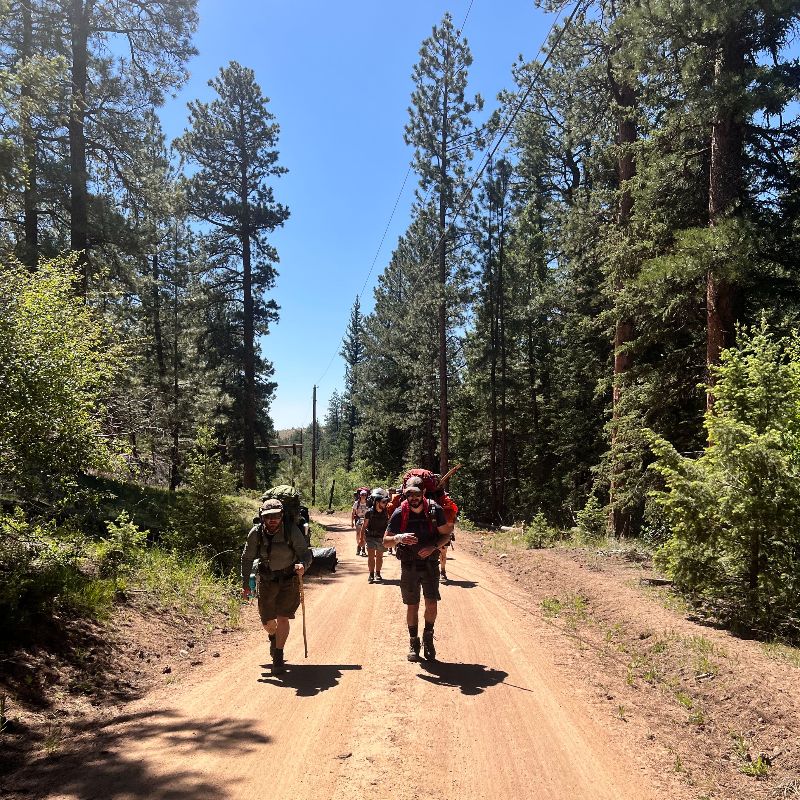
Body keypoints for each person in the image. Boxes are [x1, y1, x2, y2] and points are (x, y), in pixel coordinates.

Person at [383, 476, 453, 662]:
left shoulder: (434, 510)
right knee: (412, 605)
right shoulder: (400, 512)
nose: (412, 498)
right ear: (405, 494)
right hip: (409, 566)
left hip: (430, 564)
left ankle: (428, 638)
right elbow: (385, 541)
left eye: (416, 494)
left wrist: (433, 547)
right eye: (409, 494)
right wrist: (399, 538)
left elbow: (447, 535)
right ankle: (414, 642)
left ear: (423, 493)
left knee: (431, 603)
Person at [241, 499, 312, 675]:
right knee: (267, 621)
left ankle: (278, 656)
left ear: (282, 516)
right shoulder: (256, 533)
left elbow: (305, 553)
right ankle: (273, 637)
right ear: (262, 517)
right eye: (268, 517)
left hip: (289, 579)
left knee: (283, 617)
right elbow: (247, 558)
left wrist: (303, 565)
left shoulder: (291, 531)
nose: (273, 520)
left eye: (276, 516)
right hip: (267, 580)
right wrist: (245, 585)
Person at [430, 480, 459, 583]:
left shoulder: (444, 499)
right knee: (442, 551)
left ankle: (442, 571)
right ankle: (440, 572)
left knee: (442, 551)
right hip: (441, 529)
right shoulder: (430, 497)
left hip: (442, 530)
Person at [363, 488, 390, 583]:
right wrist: (362, 539)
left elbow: (388, 525)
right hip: (370, 537)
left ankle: (377, 573)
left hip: (381, 538)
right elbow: (364, 526)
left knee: (379, 557)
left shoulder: (386, 512)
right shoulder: (369, 513)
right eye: (383, 502)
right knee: (371, 557)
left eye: (385, 502)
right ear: (377, 502)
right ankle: (371, 574)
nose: (385, 504)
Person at [351, 489, 369, 556]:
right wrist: (352, 522)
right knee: (358, 534)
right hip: (358, 519)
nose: (364, 496)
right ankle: (359, 546)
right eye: (362, 495)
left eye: (365, 495)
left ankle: (363, 549)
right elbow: (353, 513)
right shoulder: (356, 503)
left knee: (364, 534)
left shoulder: (368, 503)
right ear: (360, 495)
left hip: (366, 520)